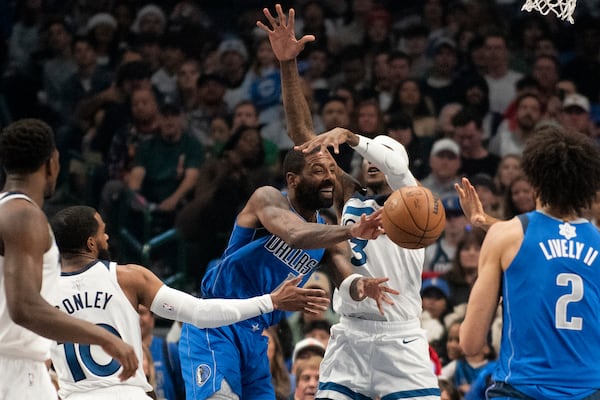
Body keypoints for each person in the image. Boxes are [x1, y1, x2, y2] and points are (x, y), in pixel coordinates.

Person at [259, 5, 441, 399]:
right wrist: (288, 66)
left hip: (402, 339)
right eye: (366, 161)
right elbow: (303, 136)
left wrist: (354, 137)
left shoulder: (413, 198)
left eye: (379, 159)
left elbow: (393, 162)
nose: (371, 166)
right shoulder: (349, 193)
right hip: (351, 337)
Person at [48, 205, 331, 399]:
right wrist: (270, 301)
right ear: (91, 244)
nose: (107, 236)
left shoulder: (39, 295)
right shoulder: (128, 278)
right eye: (103, 232)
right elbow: (199, 312)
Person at [459, 122, 600, 399]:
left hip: (522, 388)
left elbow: (470, 343)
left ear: (534, 181)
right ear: (586, 186)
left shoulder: (505, 236)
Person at [0, 119, 138, 399]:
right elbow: (24, 307)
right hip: (14, 371)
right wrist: (103, 336)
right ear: (51, 163)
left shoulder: (7, 210)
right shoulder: (24, 216)